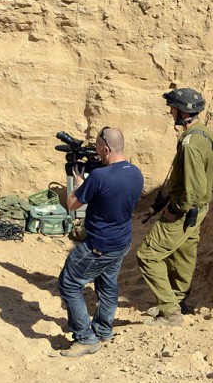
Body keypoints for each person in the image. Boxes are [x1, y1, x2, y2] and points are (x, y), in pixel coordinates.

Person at [58, 126, 144, 357]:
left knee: (69, 283)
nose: (95, 152)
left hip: (99, 245)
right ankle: (104, 329)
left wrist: (78, 183)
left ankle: (85, 338)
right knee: (107, 285)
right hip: (122, 241)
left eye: (97, 148)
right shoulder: (136, 172)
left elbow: (72, 204)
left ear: (106, 149)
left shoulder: (98, 176)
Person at [137, 87, 213, 326]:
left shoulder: (191, 143)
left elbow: (194, 190)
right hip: (199, 210)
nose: (170, 112)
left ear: (183, 112)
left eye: (173, 108)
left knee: (147, 255)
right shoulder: (203, 134)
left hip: (186, 210)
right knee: (182, 254)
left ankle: (170, 312)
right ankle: (178, 301)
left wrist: (174, 209)